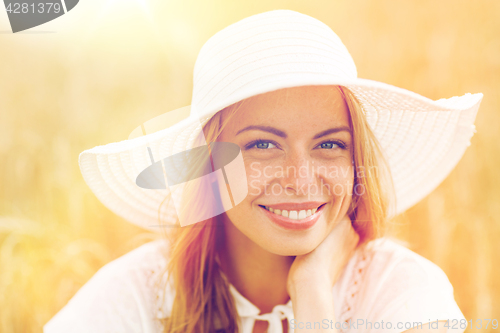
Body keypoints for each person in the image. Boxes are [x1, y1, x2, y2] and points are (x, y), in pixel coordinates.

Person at [44, 9, 482, 333]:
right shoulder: (138, 293)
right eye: (263, 145)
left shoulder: (403, 293)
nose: (301, 179)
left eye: (329, 144)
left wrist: (313, 297)